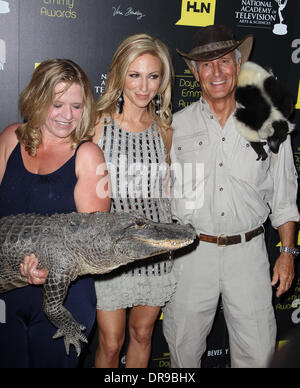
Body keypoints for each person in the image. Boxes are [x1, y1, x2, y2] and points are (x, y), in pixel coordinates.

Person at [162, 24, 299, 368]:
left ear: (239, 65)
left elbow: (284, 196)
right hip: (190, 256)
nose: (217, 72)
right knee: (182, 354)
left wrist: (286, 253)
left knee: (258, 354)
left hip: (249, 257)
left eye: (224, 61)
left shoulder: (270, 122)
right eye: (206, 65)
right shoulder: (173, 128)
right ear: (194, 72)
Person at [0, 59, 110, 368]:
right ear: (38, 98)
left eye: (76, 106)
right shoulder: (11, 138)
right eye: (57, 104)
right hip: (7, 289)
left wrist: (47, 267)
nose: (67, 116)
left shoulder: (87, 155)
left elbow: (95, 242)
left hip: (64, 294)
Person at [92, 33, 175, 368]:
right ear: (120, 75)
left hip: (153, 251)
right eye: (135, 75)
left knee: (142, 335)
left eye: (153, 76)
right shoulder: (98, 124)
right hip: (110, 252)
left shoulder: (165, 128)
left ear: (162, 80)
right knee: (111, 344)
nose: (144, 87)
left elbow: (166, 192)